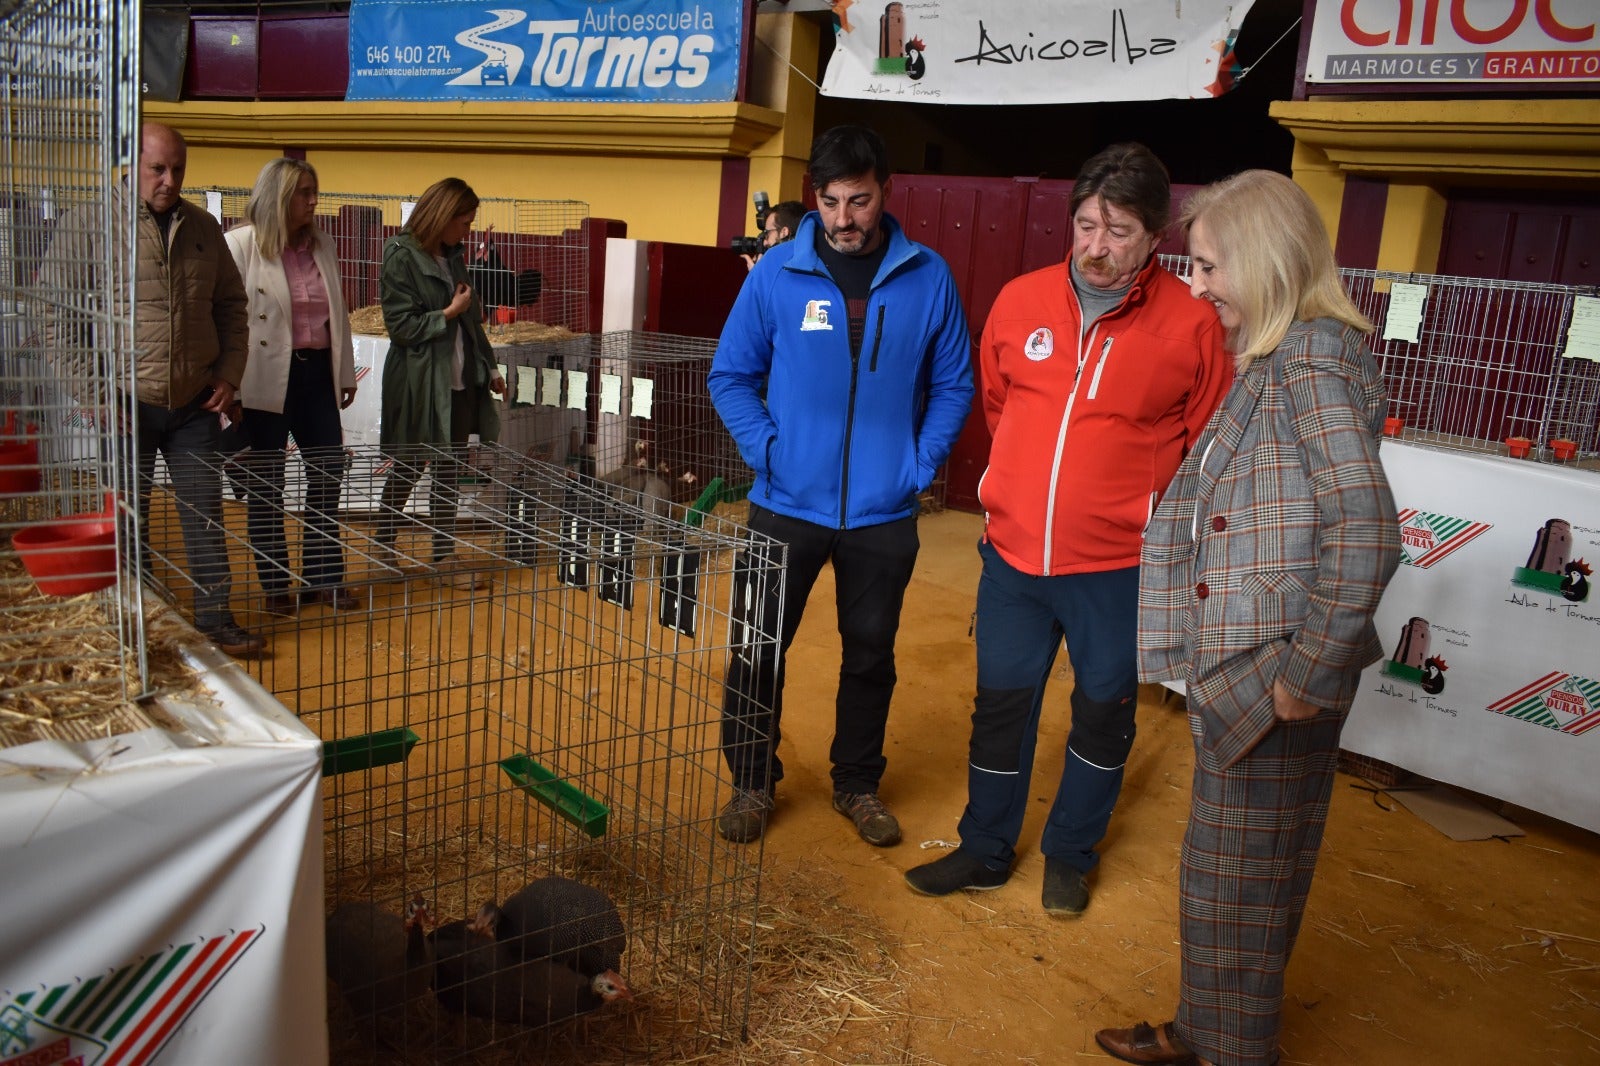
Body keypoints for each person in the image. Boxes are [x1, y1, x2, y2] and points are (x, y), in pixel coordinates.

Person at [1094, 170, 1401, 1066]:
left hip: (1275, 676)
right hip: (1258, 671)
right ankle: (1207, 1033)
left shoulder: (1308, 358)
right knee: (1231, 877)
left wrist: (1305, 674)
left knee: (1242, 884)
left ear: (1264, 262)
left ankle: (1228, 1051)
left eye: (1208, 266)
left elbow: (1366, 530)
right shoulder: (1288, 352)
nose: (1199, 287)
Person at [903, 143, 1232, 914]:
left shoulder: (1192, 327)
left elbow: (1204, 444)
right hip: (1013, 559)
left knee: (1104, 708)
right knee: (1002, 707)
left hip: (1117, 569)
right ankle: (985, 849)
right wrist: (1012, 494)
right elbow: (998, 407)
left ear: (1156, 238)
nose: (1096, 245)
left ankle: (1071, 855)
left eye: (1118, 230)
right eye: (1086, 224)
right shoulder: (1020, 302)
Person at [708, 125, 974, 848]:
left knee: (870, 655)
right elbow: (730, 376)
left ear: (885, 191)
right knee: (757, 646)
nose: (845, 219)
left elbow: (954, 384)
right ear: (813, 199)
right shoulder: (775, 276)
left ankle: (856, 784)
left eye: (859, 200)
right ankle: (751, 783)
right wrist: (769, 450)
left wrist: (918, 467)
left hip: (883, 513)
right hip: (784, 504)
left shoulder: (929, 277)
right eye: (830, 202)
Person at [39, 123, 262, 657]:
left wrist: (230, 375)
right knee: (127, 517)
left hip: (194, 403)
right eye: (157, 168)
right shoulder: (88, 225)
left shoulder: (204, 227)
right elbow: (55, 313)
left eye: (178, 169)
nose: (169, 180)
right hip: (123, 404)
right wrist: (91, 390)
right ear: (130, 164)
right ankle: (136, 627)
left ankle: (214, 619)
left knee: (204, 513)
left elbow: (232, 307)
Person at [226, 158, 360, 616]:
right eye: (304, 192)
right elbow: (227, 320)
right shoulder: (241, 245)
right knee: (267, 486)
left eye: (314, 190)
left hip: (316, 372)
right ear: (279, 196)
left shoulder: (324, 243)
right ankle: (275, 584)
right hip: (263, 376)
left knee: (327, 475)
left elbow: (336, 314)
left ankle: (325, 578)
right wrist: (233, 388)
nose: (313, 200)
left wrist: (343, 373)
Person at [373, 177, 506, 578]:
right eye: (463, 222)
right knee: (412, 462)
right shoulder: (400, 256)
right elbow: (401, 327)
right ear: (443, 216)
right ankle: (383, 540)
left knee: (448, 468)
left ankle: (443, 554)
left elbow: (472, 317)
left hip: (459, 375)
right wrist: (447, 312)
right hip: (420, 378)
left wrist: (491, 366)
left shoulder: (454, 256)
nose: (467, 230)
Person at [742, 199, 806, 271]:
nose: (765, 242)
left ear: (784, 232)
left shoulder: (780, 269)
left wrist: (757, 272)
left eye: (767, 233)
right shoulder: (806, 260)